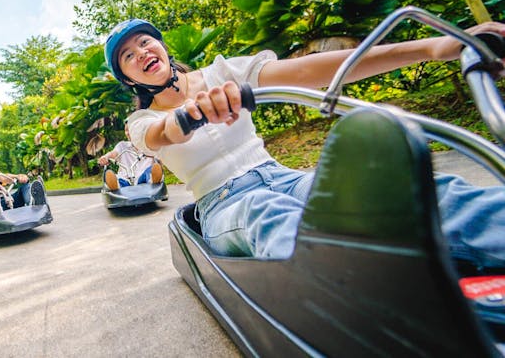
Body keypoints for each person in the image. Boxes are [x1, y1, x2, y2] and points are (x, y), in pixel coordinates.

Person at [104, 17, 505, 268]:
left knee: (397, 192)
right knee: (269, 211)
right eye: (127, 56)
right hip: (225, 205)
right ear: (130, 79)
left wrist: (433, 47)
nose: (141, 53)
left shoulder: (225, 72)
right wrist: (187, 116)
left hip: (283, 177)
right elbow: (161, 135)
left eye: (144, 42)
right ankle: (368, 299)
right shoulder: (141, 120)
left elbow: (313, 70)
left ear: (162, 47)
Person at [98, 122, 163, 190]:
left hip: (143, 178)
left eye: (130, 129)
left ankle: (153, 181)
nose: (128, 133)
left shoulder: (149, 146)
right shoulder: (122, 145)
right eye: (126, 130)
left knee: (151, 171)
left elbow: (160, 160)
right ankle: (116, 185)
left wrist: (154, 156)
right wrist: (106, 157)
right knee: (118, 179)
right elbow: (113, 154)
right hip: (126, 179)